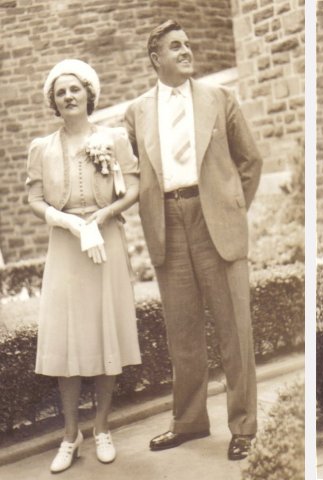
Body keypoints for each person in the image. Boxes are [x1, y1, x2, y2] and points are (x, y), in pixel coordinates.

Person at [124, 20, 262, 460]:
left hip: (215, 220)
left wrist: (231, 208)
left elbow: (251, 161)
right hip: (167, 219)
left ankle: (243, 425)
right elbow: (133, 173)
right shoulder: (137, 112)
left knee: (233, 330)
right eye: (175, 46)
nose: (186, 51)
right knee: (182, 332)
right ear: (155, 59)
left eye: (188, 43)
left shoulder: (220, 99)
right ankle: (188, 422)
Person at [27, 59, 142, 473]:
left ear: (89, 95)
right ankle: (70, 435)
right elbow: (35, 198)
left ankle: (102, 428)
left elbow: (135, 185)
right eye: (61, 93)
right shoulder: (42, 147)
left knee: (105, 330)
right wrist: (66, 220)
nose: (69, 96)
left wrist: (105, 214)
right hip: (65, 244)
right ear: (54, 103)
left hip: (106, 239)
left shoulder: (112, 138)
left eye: (75, 89)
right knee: (68, 336)